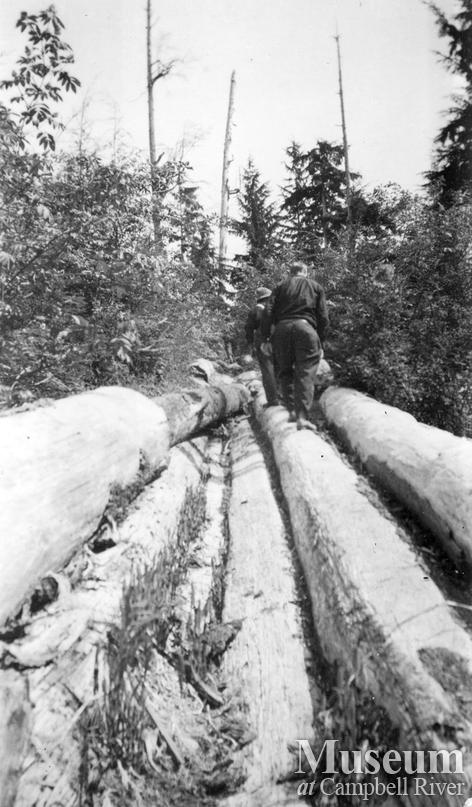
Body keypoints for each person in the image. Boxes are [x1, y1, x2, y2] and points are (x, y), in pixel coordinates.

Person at [264, 261, 329, 429]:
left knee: (285, 371)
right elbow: (323, 317)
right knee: (305, 372)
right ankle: (302, 416)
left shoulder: (280, 286)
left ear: (291, 273)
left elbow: (268, 311)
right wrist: (321, 341)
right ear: (305, 272)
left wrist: (266, 337)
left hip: (282, 330)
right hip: (305, 329)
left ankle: (292, 410)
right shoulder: (315, 287)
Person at [244, 286, 279, 407]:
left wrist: (250, 345)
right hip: (279, 341)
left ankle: (273, 400)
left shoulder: (256, 310)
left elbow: (249, 329)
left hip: (263, 342)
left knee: (268, 370)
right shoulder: (277, 309)